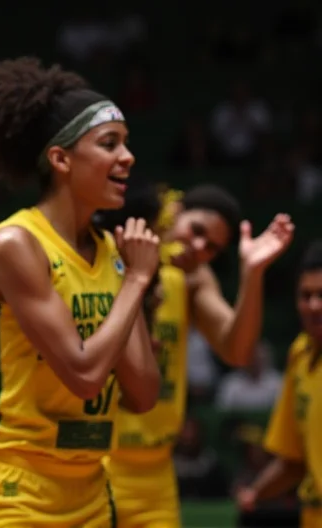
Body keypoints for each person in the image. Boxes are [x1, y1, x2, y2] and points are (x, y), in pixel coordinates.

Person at [0, 57, 162, 528]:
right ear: (60, 159)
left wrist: (131, 280)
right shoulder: (17, 243)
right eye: (110, 144)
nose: (128, 157)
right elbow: (84, 376)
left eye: (126, 144)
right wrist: (138, 283)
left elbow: (144, 394)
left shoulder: (114, 252)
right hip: (15, 492)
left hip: (90, 488)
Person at [93, 181, 293, 528]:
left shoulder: (191, 279)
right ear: (174, 211)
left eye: (212, 248)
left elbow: (237, 350)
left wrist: (253, 273)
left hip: (157, 472)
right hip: (97, 464)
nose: (199, 247)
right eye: (196, 230)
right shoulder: (109, 258)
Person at [238, 240, 322, 528]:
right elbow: (293, 461)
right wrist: (255, 493)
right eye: (306, 295)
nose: (314, 306)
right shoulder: (299, 354)